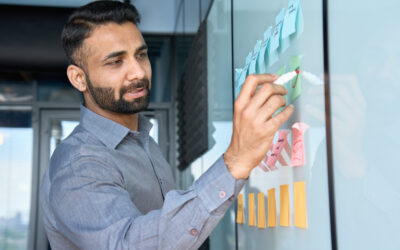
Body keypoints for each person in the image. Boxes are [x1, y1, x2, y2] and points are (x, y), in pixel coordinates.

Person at [39, 1, 294, 249]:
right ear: (79, 78)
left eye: (141, 55)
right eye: (115, 62)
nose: (138, 72)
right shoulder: (79, 162)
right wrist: (234, 163)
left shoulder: (143, 141)